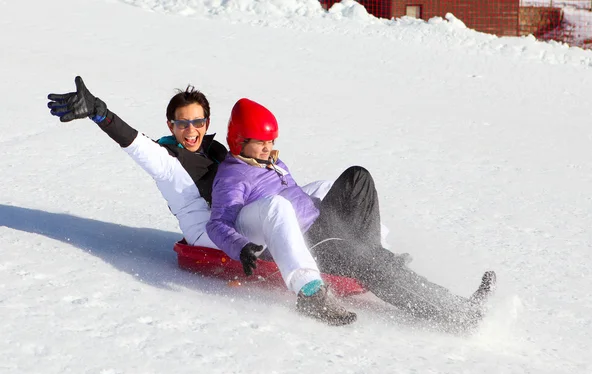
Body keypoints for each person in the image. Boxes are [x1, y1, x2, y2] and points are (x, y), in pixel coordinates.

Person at [207, 98, 496, 330]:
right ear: (239, 140)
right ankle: (457, 314)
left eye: (272, 141)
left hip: (319, 221)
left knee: (358, 176)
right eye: (261, 142)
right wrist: (241, 247)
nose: (269, 148)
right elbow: (218, 222)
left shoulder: (269, 161)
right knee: (368, 262)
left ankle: (371, 252)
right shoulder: (232, 177)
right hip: (302, 240)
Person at [47, 76, 227, 247]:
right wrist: (99, 113)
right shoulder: (166, 161)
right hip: (205, 234)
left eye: (198, 122)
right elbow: (135, 142)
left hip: (231, 224)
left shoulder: (215, 150)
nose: (191, 130)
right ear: (170, 126)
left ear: (207, 123)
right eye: (182, 123)